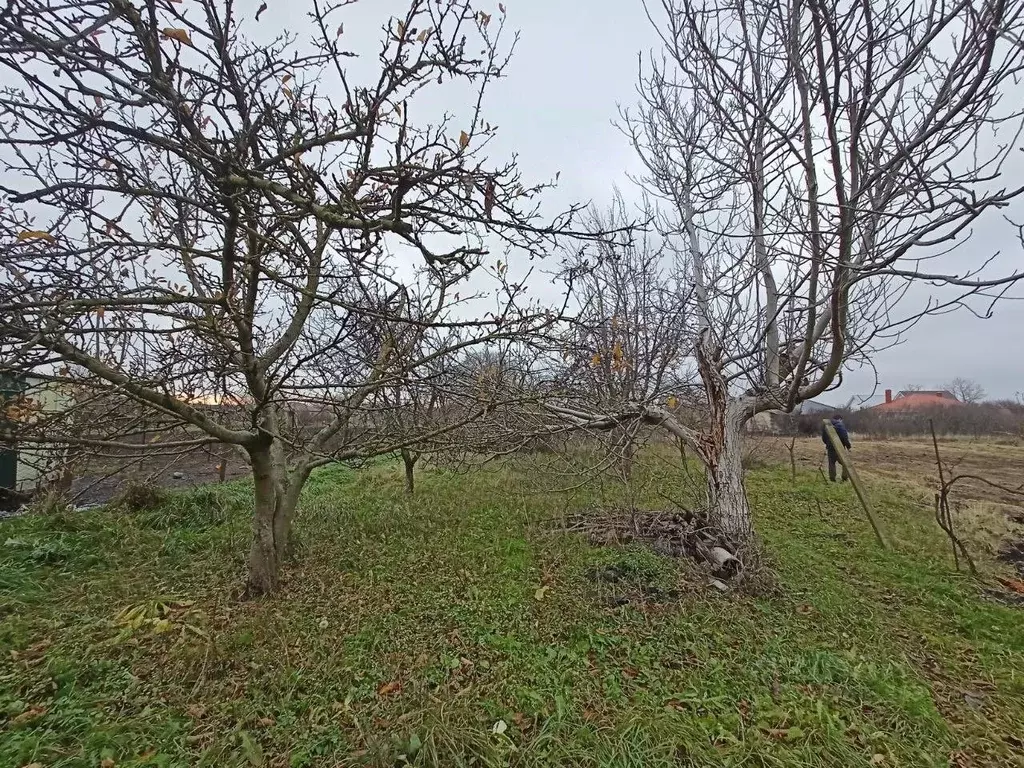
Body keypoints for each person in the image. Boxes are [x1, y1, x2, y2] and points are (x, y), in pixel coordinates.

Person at [821, 413, 851, 482]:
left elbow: (823, 438)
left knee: (831, 463)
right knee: (845, 463)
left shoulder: (827, 425)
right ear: (840, 419)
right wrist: (848, 446)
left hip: (830, 448)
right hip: (839, 447)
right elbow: (844, 437)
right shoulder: (840, 425)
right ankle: (844, 477)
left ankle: (832, 479)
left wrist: (828, 444)